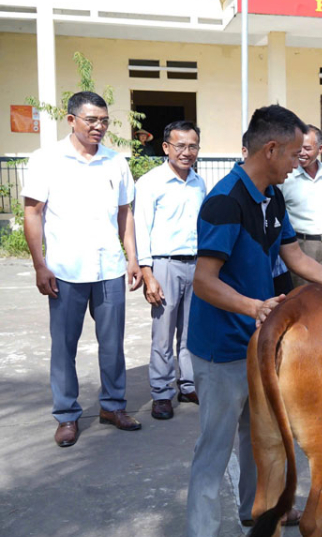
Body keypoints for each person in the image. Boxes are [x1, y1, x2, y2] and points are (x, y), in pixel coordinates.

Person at [184, 105, 322, 536]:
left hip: (262, 347)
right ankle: (201, 530)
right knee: (214, 449)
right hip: (223, 349)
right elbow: (204, 281)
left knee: (262, 438)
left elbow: (296, 256)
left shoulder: (273, 196)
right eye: (292, 154)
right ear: (270, 149)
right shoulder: (225, 202)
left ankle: (259, 512)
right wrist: (254, 307)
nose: (298, 161)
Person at [22, 91, 143, 448]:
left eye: (104, 120)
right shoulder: (46, 160)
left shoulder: (115, 161)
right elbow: (33, 213)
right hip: (65, 270)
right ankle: (66, 415)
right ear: (71, 119)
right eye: (92, 120)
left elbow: (126, 213)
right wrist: (39, 264)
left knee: (112, 345)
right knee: (64, 346)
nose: (99, 127)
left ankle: (113, 406)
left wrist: (132, 257)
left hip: (108, 267)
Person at [134, 120, 206, 421]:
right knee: (163, 334)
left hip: (197, 264)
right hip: (164, 264)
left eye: (192, 146)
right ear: (166, 147)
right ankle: (161, 394)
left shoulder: (199, 183)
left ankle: (187, 385)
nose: (186, 152)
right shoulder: (150, 183)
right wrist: (147, 273)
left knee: (192, 332)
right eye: (180, 145)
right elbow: (141, 229)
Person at [279, 125, 322, 281]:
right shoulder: (286, 176)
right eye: (298, 148)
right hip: (301, 246)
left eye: (307, 148)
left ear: (320, 149)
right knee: (304, 300)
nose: (302, 153)